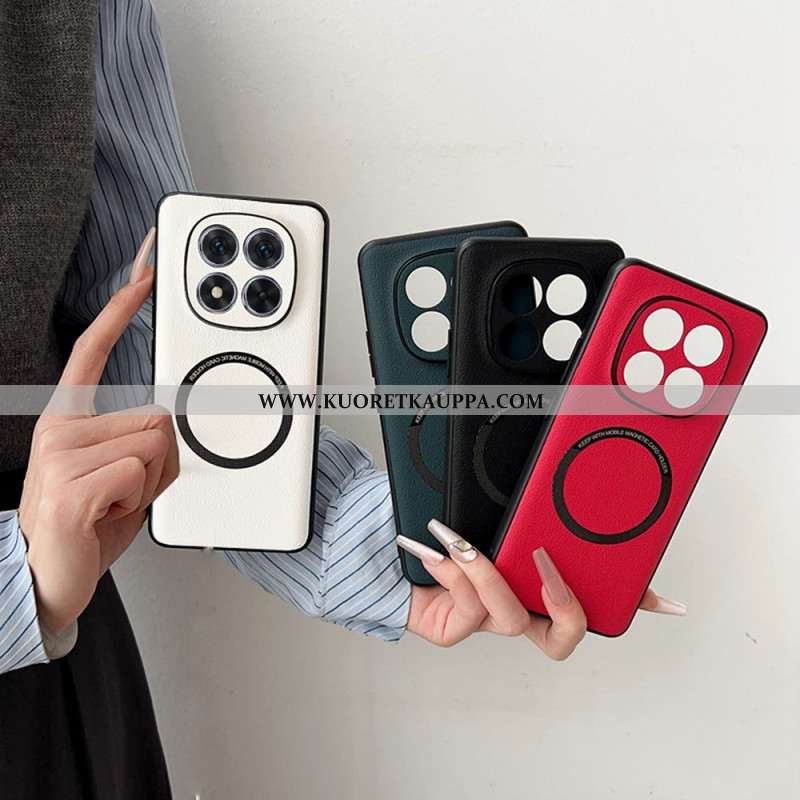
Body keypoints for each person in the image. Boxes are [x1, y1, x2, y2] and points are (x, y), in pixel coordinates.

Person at [0, 1, 682, 797]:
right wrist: (21, 587)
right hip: (41, 598)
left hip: (52, 634)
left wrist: (435, 536)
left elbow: (147, 318)